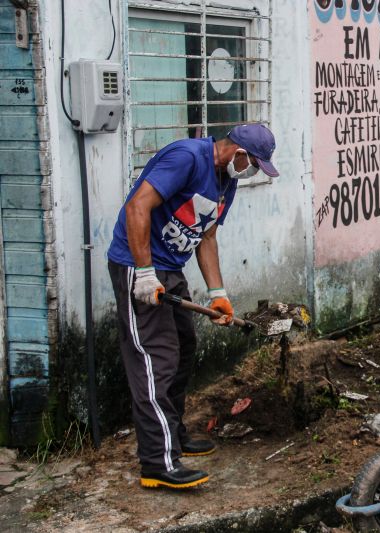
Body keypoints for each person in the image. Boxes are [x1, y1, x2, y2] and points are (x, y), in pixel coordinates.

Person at [107, 125, 279, 489]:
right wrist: (144, 274)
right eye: (252, 164)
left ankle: (173, 434)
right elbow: (137, 207)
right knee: (156, 359)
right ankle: (157, 463)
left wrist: (218, 293)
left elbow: (207, 236)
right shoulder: (186, 157)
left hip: (169, 267)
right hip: (138, 266)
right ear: (237, 152)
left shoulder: (224, 182)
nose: (250, 173)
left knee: (184, 349)